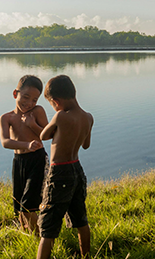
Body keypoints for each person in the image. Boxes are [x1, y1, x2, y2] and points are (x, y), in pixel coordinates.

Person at [37, 75, 94, 259]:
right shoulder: (88, 117)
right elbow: (86, 145)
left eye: (51, 104)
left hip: (59, 172)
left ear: (56, 101)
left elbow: (43, 136)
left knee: (48, 225)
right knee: (80, 218)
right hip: (77, 169)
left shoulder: (60, 116)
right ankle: (86, 255)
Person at [0, 75, 49, 234]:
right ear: (15, 94)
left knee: (29, 203)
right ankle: (26, 234)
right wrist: (26, 145)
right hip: (19, 161)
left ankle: (39, 237)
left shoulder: (38, 111)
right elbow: (5, 142)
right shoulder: (7, 118)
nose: (29, 103)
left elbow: (48, 134)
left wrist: (32, 125)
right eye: (25, 97)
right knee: (19, 203)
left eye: (34, 100)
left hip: (38, 159)